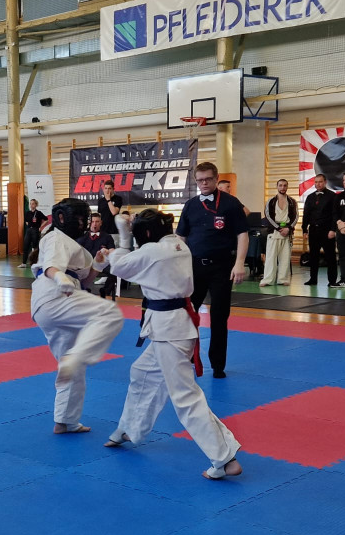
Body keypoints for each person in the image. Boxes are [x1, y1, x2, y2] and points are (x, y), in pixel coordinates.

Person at [102, 209, 242, 480]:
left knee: (185, 397)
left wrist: (123, 234)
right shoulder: (179, 246)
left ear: (146, 233)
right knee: (142, 372)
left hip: (170, 331)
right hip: (174, 327)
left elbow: (119, 266)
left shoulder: (153, 251)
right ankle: (130, 428)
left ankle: (224, 458)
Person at [31, 198, 124, 434]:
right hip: (55, 295)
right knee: (110, 313)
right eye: (81, 219)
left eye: (85, 220)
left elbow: (85, 281)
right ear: (62, 218)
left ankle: (65, 421)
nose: (83, 224)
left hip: (53, 302)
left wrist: (99, 265)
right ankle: (76, 356)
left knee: (73, 367)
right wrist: (60, 278)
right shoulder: (55, 237)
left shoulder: (75, 246)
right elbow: (51, 267)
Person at [176, 162, 248, 379]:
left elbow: (242, 234)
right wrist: (176, 264)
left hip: (222, 267)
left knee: (219, 316)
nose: (204, 183)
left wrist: (239, 263)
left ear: (216, 179)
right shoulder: (190, 205)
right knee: (187, 313)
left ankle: (217, 364)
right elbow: (180, 237)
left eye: (208, 179)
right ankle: (188, 355)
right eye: (200, 180)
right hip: (194, 266)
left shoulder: (230, 203)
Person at [301, 173, 337, 287]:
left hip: (327, 231)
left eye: (320, 182)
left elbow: (335, 215)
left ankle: (332, 281)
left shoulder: (332, 196)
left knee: (330, 257)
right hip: (313, 231)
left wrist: (333, 229)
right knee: (313, 256)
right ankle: (313, 279)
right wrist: (304, 229)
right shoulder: (310, 197)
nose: (318, 184)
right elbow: (306, 214)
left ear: (325, 182)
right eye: (316, 182)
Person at [260, 179, 298, 287]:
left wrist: (288, 229)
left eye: (285, 185)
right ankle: (268, 279)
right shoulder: (271, 201)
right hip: (274, 231)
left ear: (287, 187)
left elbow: (296, 217)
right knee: (270, 257)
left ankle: (283, 279)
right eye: (280, 185)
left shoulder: (292, 201)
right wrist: (278, 228)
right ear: (277, 187)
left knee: (285, 257)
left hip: (287, 231)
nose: (282, 188)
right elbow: (268, 216)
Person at [19, 198, 47, 268]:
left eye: (33, 204)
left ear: (36, 205)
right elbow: (26, 221)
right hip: (29, 230)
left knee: (35, 247)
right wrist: (29, 225)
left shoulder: (38, 213)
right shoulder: (28, 213)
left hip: (35, 230)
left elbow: (46, 220)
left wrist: (40, 227)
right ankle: (24, 263)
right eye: (30, 204)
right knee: (26, 246)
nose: (31, 205)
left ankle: (36, 263)